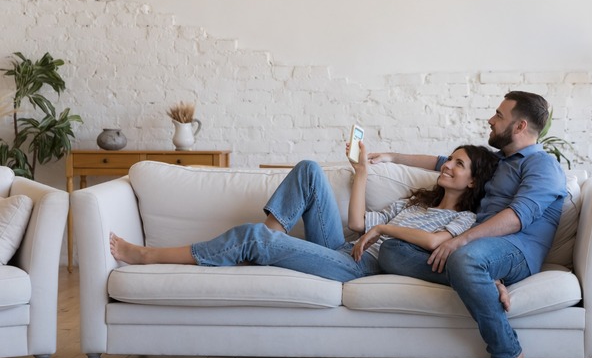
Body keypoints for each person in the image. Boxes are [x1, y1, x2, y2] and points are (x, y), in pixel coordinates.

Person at [368, 91, 567, 358]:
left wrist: (462, 241)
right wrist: (391, 155)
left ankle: (507, 353)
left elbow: (517, 218)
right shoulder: (499, 162)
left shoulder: (542, 165)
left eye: (499, 115)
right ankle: (481, 280)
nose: (491, 120)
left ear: (520, 126)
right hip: (481, 251)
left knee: (466, 259)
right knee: (392, 250)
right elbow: (441, 162)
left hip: (517, 249)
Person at [110, 142, 499, 284]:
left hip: (364, 266)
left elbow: (434, 243)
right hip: (345, 248)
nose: (447, 166)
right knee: (309, 169)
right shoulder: (417, 202)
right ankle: (265, 243)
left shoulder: (463, 220)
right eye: (449, 161)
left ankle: (146, 255)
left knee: (252, 238)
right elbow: (357, 225)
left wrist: (388, 232)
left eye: (458, 165)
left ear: (472, 182)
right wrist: (361, 173)